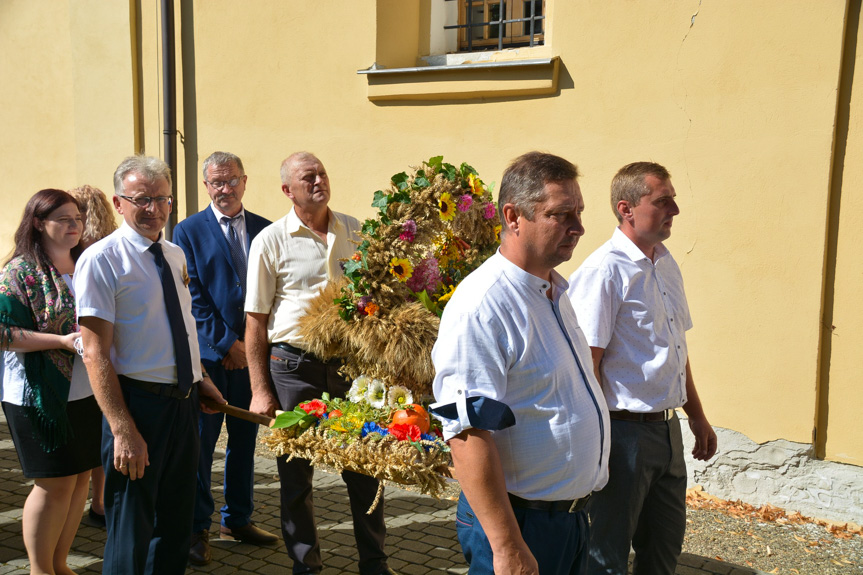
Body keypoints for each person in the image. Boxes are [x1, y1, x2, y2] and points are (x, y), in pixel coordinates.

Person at [431, 151, 610, 575]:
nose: (579, 228)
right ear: (513, 216)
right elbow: (466, 432)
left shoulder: (553, 291)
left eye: (579, 212)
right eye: (561, 214)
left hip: (568, 519)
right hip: (522, 524)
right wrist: (507, 545)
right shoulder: (483, 304)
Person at [246, 152, 396, 575]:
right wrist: (260, 389)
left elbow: (378, 300)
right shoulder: (270, 241)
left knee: (365, 466)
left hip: (351, 368)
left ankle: (375, 563)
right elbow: (255, 322)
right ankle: (305, 566)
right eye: (307, 177)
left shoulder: (357, 231)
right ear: (287, 190)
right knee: (296, 475)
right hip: (293, 368)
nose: (318, 181)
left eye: (322, 173)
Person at [75, 155, 226, 575]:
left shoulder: (174, 254)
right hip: (137, 408)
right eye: (141, 199)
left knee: (176, 525)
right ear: (118, 202)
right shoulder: (102, 260)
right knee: (131, 529)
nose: (153, 209)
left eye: (162, 199)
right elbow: (94, 352)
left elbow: (179, 327)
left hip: (182, 406)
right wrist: (123, 429)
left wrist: (201, 379)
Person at [567, 162, 718, 575]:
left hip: (666, 431)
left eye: (673, 199)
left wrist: (696, 416)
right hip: (624, 435)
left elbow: (675, 349)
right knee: (606, 557)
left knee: (663, 551)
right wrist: (599, 443)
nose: (675, 209)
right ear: (626, 208)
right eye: (663, 200)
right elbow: (587, 367)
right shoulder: (604, 271)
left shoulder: (665, 263)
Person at [173, 151, 277, 565]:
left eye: (231, 180)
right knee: (201, 447)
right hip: (210, 361)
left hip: (253, 358)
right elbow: (192, 296)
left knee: (246, 442)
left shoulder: (266, 229)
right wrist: (228, 345)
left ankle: (238, 519)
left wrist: (251, 348)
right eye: (217, 182)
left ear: (245, 181)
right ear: (206, 186)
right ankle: (197, 527)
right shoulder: (187, 231)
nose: (225, 189)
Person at [0, 189, 101, 575]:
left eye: (77, 218)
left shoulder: (87, 262)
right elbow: (3, 333)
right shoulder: (19, 271)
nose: (74, 225)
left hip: (86, 389)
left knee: (78, 482)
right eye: (64, 219)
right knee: (53, 484)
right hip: (35, 396)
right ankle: (40, 569)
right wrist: (59, 341)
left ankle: (60, 563)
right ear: (40, 223)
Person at [68, 184, 118, 528]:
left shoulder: (84, 254)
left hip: (90, 355)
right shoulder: (108, 248)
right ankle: (99, 504)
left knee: (99, 433)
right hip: (99, 353)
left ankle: (98, 502)